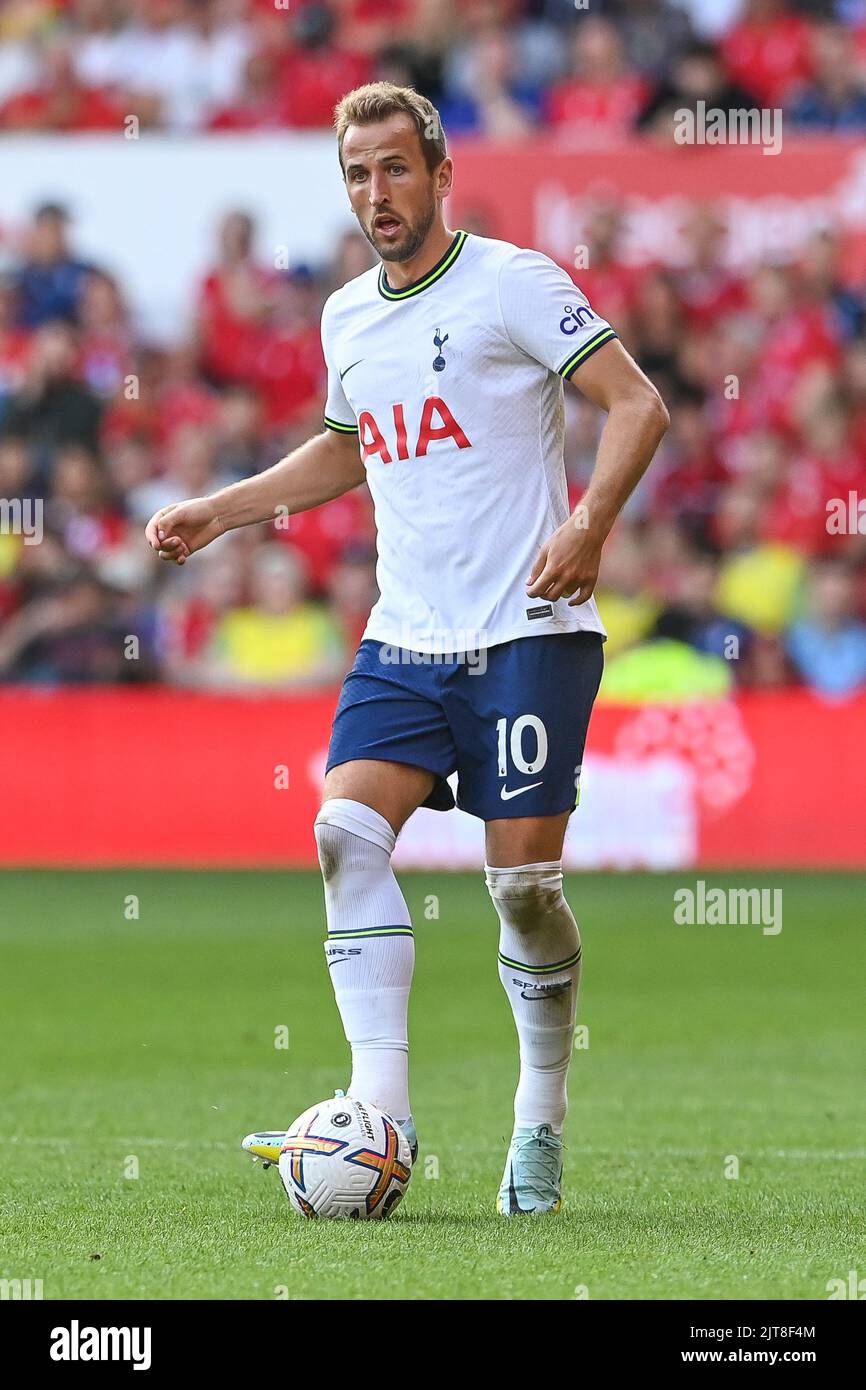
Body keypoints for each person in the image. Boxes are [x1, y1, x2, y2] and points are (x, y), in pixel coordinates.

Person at [145, 81, 669, 1216]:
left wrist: (585, 526)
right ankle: (381, 1109)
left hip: (527, 628)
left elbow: (637, 406)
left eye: (392, 168)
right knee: (340, 832)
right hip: (406, 639)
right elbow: (348, 452)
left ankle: (538, 1116)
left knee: (522, 890)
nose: (374, 194)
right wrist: (222, 508)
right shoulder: (346, 317)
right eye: (354, 175)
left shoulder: (513, 283)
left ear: (437, 173)